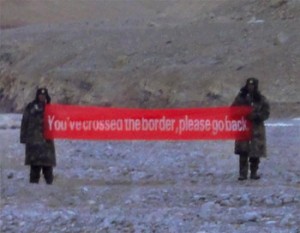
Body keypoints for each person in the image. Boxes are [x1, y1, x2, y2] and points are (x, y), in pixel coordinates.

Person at [232, 78, 270, 180]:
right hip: (243, 128)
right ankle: (243, 174)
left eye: (253, 86)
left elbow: (266, 113)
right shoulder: (241, 98)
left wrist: (256, 116)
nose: (250, 87)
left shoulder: (261, 99)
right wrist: (242, 114)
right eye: (249, 85)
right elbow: (232, 110)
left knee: (255, 152)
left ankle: (254, 172)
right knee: (243, 151)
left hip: (256, 129)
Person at [20, 88, 56, 184]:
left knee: (48, 170)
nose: (42, 97)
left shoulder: (50, 108)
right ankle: (33, 191)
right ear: (37, 95)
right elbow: (24, 122)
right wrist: (23, 138)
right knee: (34, 170)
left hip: (46, 146)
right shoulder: (30, 107)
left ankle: (49, 190)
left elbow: (57, 123)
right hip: (34, 144)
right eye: (40, 95)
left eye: (44, 95)